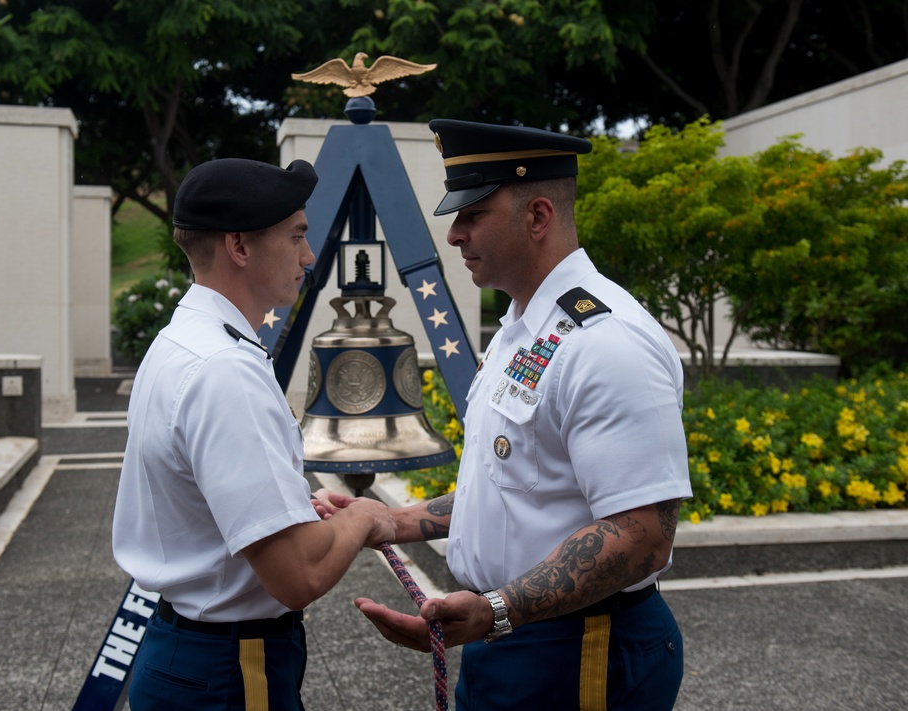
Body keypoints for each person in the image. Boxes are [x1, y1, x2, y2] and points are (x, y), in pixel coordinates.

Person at [354, 119, 694, 710]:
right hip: (515, 637)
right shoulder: (524, 325)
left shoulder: (605, 342)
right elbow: (520, 488)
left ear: (537, 216)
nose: (454, 234)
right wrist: (394, 523)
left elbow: (642, 537)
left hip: (581, 651)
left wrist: (496, 610)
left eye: (472, 214)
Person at [112, 157, 394, 710]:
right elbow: (298, 575)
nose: (309, 257)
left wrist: (292, 503)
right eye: (296, 237)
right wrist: (363, 516)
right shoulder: (224, 369)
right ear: (239, 246)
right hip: (229, 671)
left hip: (188, 653)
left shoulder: (186, 341)